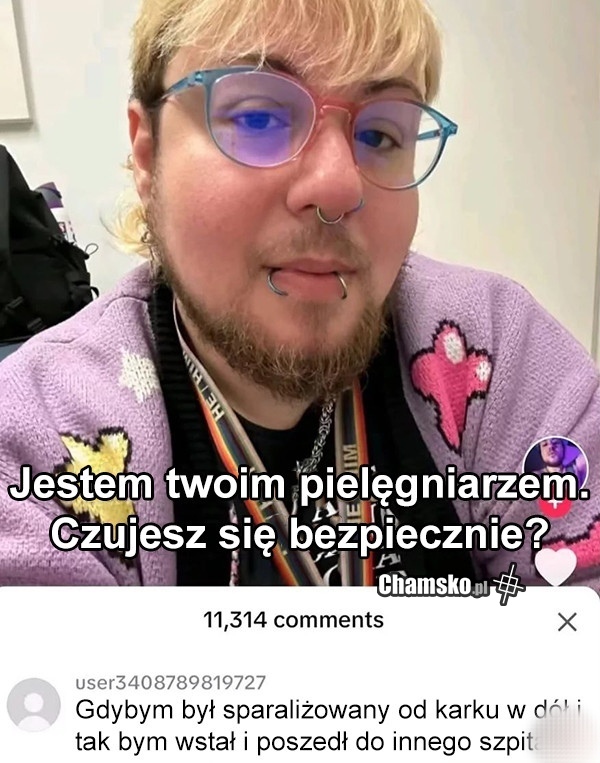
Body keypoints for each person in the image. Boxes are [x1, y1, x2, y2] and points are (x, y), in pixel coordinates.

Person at [0, 0, 598, 588]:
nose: (338, 186)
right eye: (259, 119)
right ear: (148, 155)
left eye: (381, 133)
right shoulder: (38, 440)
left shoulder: (497, 356)